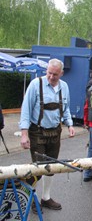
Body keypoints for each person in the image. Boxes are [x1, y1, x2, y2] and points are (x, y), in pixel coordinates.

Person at [19, 58, 75, 213]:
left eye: (55, 74)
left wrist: (70, 125)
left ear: (61, 73)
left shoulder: (64, 87)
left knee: (51, 167)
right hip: (37, 132)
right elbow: (26, 110)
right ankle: (32, 199)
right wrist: (24, 134)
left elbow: (66, 109)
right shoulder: (36, 84)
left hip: (55, 132)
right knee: (38, 168)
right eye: (49, 73)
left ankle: (46, 197)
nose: (51, 77)